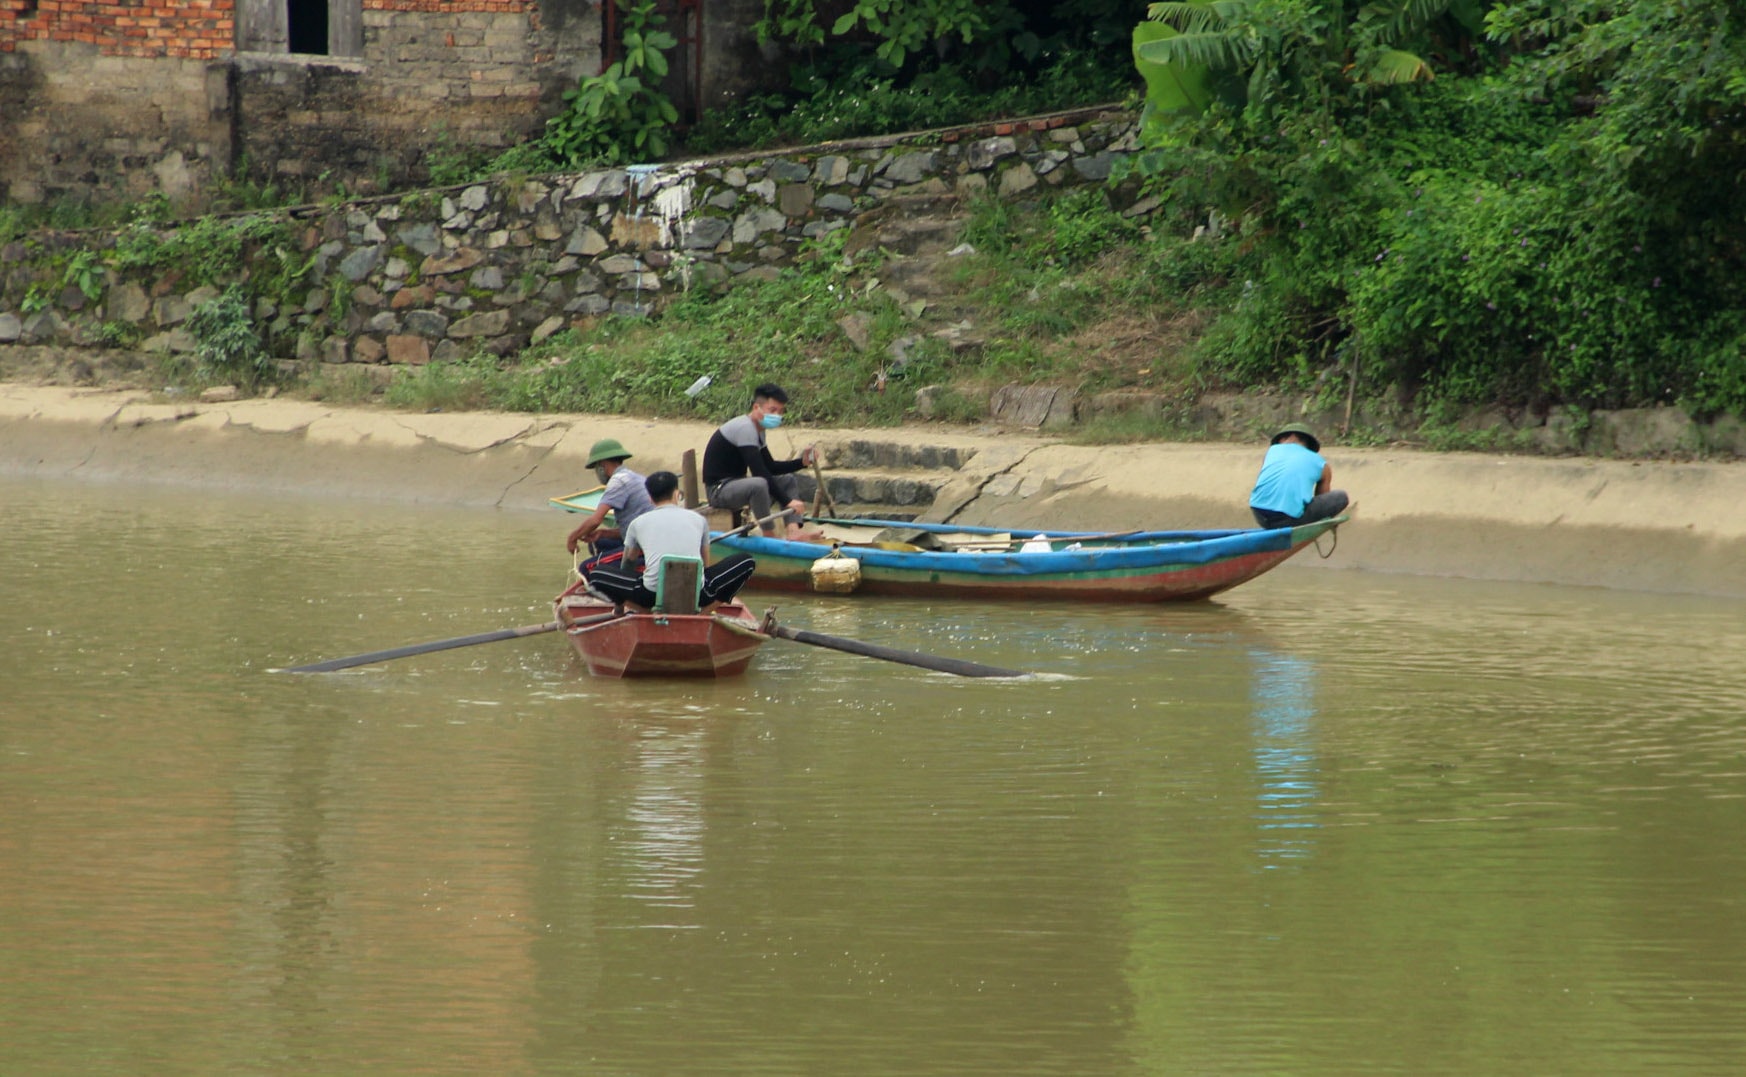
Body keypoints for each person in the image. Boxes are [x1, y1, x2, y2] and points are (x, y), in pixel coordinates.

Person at [585, 471, 758, 611]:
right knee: (747, 561)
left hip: (651, 595)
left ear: (650, 499)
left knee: (597, 575)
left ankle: (644, 612)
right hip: (696, 593)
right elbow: (704, 564)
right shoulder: (699, 519)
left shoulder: (637, 523)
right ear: (677, 494)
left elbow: (628, 564)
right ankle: (705, 612)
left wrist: (620, 604)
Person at [701, 382, 824, 540]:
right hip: (719, 490)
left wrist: (802, 462)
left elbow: (770, 467)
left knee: (787, 480)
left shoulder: (759, 431)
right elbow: (759, 471)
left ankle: (794, 531)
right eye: (772, 410)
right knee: (759, 484)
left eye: (780, 412)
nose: (777, 416)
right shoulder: (744, 428)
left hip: (737, 484)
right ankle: (768, 534)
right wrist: (788, 502)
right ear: (756, 408)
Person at [566, 437, 656, 576]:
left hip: (644, 548)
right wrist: (604, 533)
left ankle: (617, 582)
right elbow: (630, 528)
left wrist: (573, 537)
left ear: (602, 466)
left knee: (586, 568)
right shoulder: (636, 477)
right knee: (599, 542)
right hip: (644, 538)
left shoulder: (619, 480)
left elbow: (595, 520)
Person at [1248, 423, 1349, 528]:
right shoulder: (1321, 464)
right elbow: (1322, 497)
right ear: (1307, 443)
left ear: (1282, 439)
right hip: (1287, 518)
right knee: (1341, 497)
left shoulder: (1270, 452)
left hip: (1258, 512)